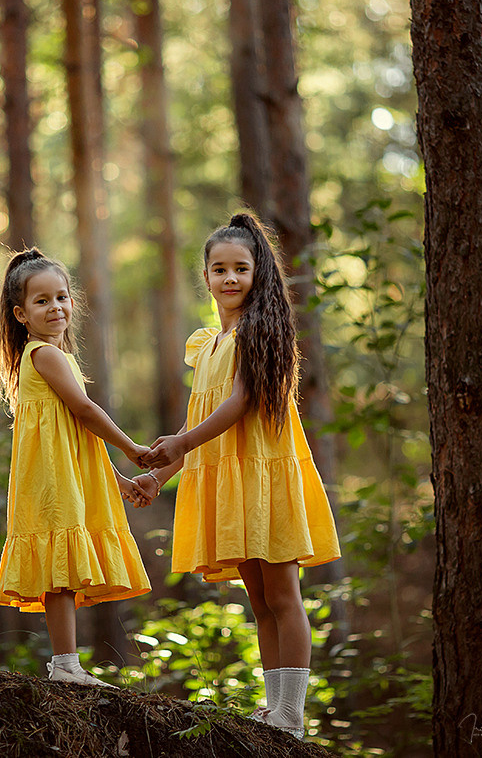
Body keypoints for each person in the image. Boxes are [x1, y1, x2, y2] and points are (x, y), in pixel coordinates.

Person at [134, 213, 341, 737]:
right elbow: (199, 418)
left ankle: (292, 715)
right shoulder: (206, 343)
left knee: (282, 595)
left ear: (258, 274)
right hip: (228, 479)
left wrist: (182, 442)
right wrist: (164, 474)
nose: (229, 278)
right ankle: (274, 708)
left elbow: (241, 402)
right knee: (258, 601)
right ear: (204, 275)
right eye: (219, 269)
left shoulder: (259, 329)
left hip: (264, 475)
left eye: (240, 269)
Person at [0, 248, 153, 688]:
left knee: (60, 572)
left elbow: (76, 436)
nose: (55, 307)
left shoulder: (52, 357)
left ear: (72, 303)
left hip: (63, 474)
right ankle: (64, 665)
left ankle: (66, 663)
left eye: (61, 297)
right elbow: (84, 410)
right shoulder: (44, 354)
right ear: (21, 314)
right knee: (59, 570)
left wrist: (116, 479)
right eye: (42, 301)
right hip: (51, 480)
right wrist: (132, 448)